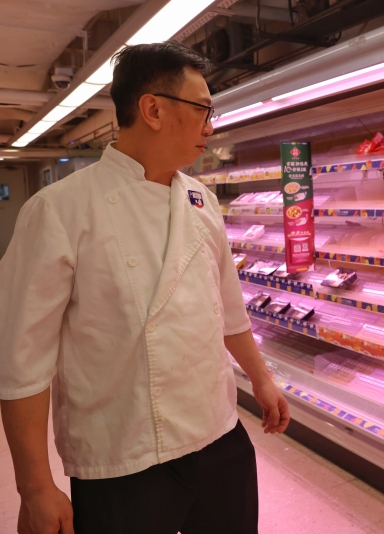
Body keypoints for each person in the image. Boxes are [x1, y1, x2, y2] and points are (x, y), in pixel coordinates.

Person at [0, 41, 289, 534]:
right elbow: (21, 361)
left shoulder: (202, 201)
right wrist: (34, 486)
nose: (211, 127)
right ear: (153, 110)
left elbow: (227, 307)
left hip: (218, 434)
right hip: (122, 457)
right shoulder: (58, 210)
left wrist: (260, 379)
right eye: (203, 110)